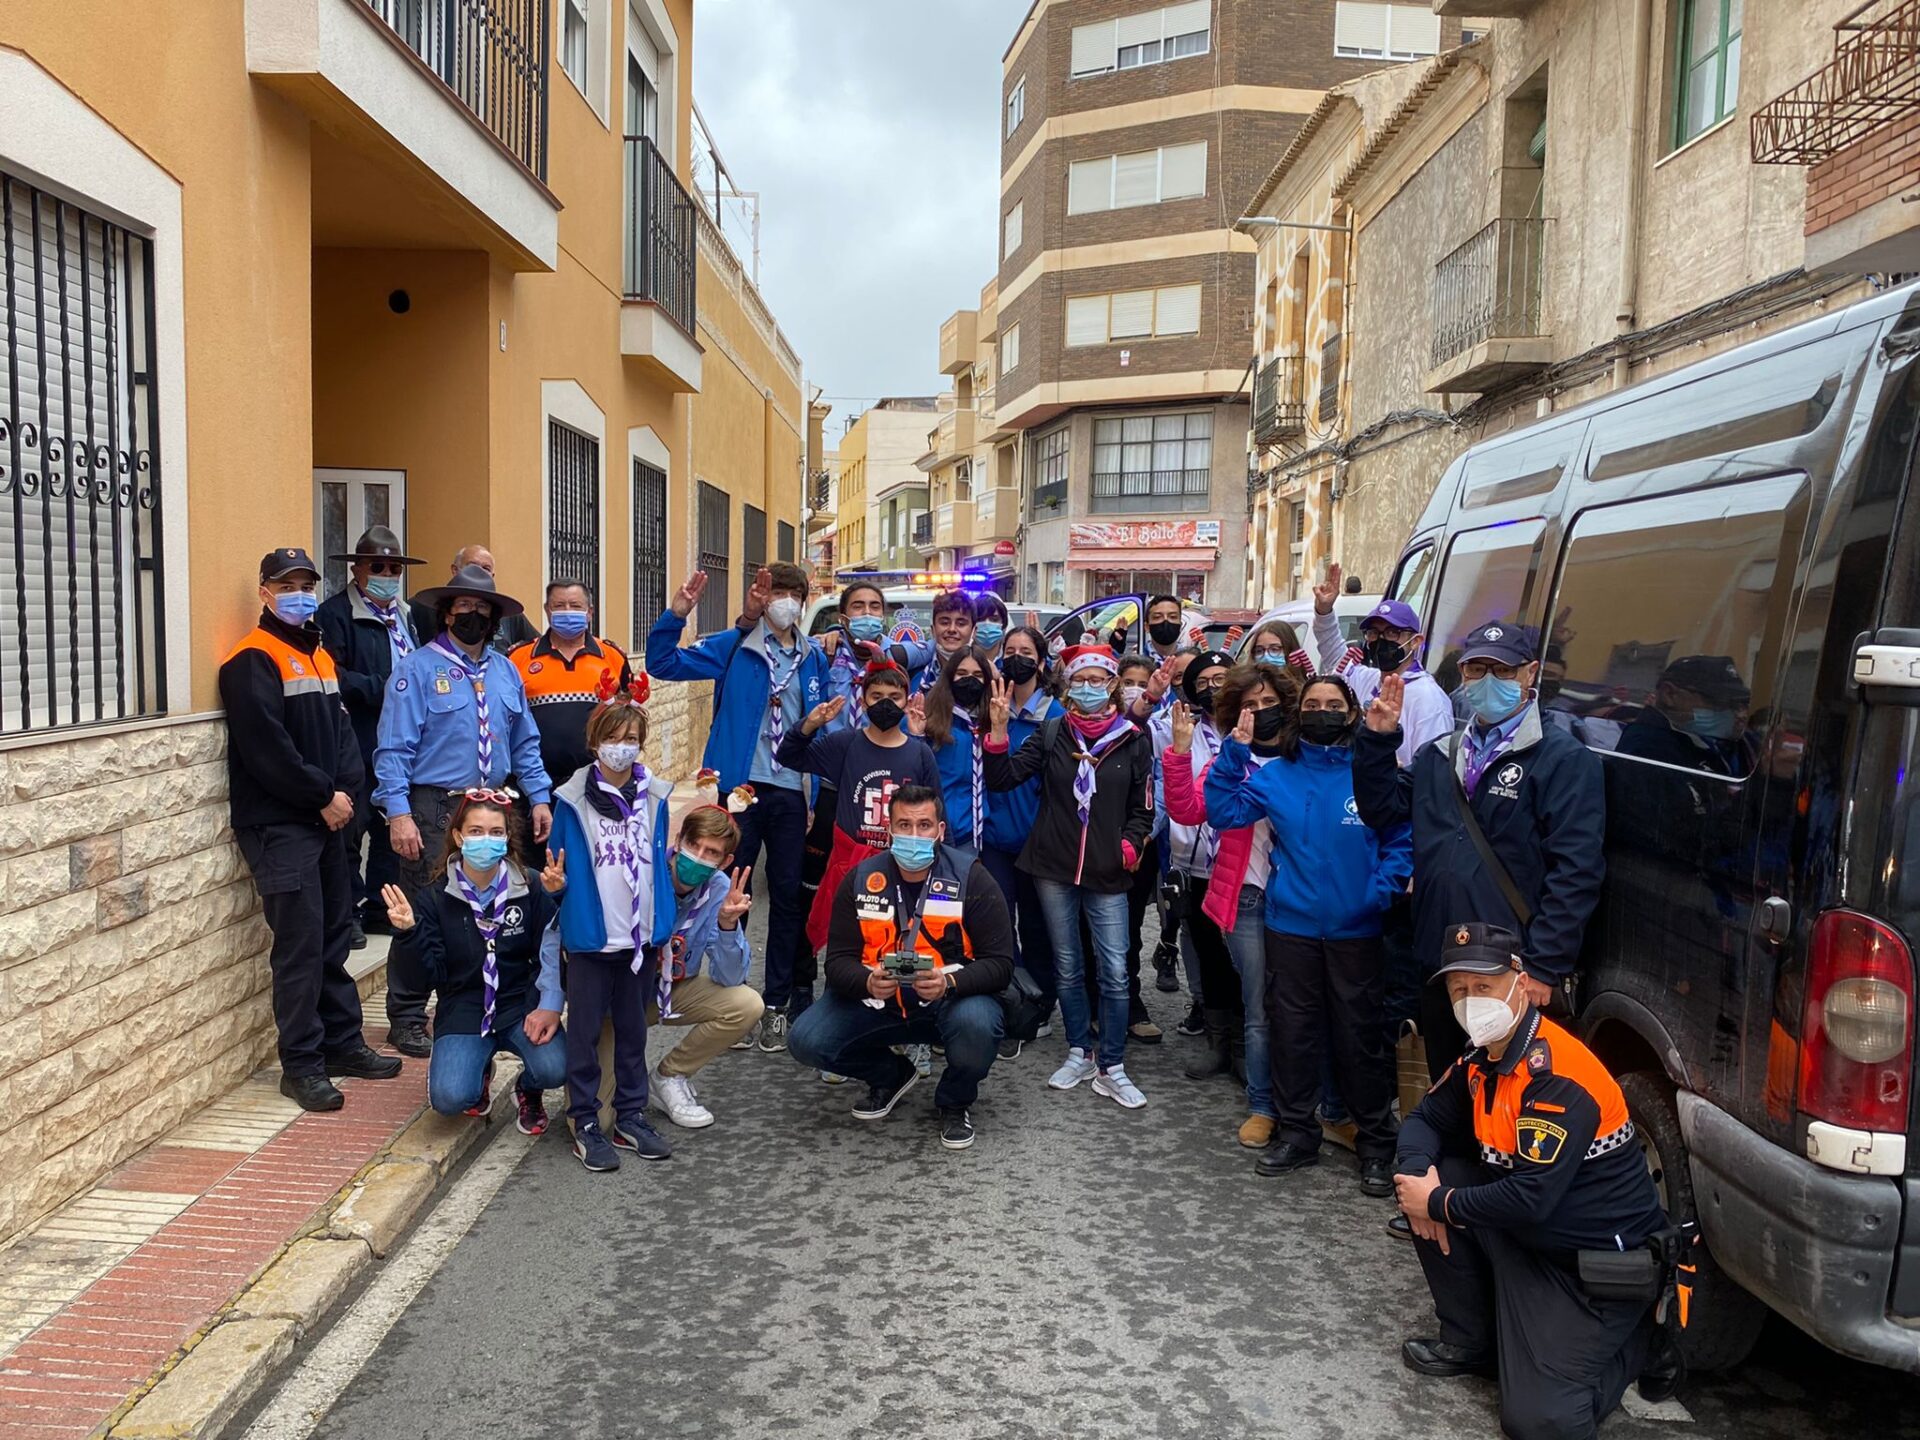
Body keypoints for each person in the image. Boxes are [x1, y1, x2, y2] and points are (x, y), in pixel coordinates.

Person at [1396, 924, 1670, 1440]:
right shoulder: (1483, 1058)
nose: (1471, 1001)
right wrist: (1415, 1173)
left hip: (1592, 1270)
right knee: (1432, 1177)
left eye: (1484, 986)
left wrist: (1437, 1203)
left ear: (1520, 983)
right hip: (1530, 1238)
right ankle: (1472, 1341)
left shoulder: (1557, 1076)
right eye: (1459, 990)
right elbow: (1425, 1119)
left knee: (1541, 1422)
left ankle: (1643, 1342)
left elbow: (1530, 1198)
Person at [1352, 621, 1607, 1083]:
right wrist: (1377, 740)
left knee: (1508, 1090)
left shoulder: (1563, 759)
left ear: (1530, 673)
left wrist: (1544, 966)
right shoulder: (1440, 754)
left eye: (1502, 670)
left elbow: (1576, 870)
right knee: (1449, 1084)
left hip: (1510, 967)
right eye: (1476, 670)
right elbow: (1382, 810)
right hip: (1442, 960)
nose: (1488, 681)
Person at [1206, 674, 1411, 1195]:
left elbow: (1400, 838)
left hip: (1356, 929)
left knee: (1358, 1039)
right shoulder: (1277, 774)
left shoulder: (1371, 773)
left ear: (1351, 713)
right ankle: (1298, 1133)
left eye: (1333, 704)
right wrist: (1235, 753)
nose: (1323, 711)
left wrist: (1379, 892)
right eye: (1312, 704)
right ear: (1300, 713)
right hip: (1290, 927)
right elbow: (1224, 811)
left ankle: (1375, 1145)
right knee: (1294, 1034)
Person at [222, 547, 405, 1112]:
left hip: (330, 819)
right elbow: (267, 750)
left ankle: (343, 1044)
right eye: (287, 586)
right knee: (300, 947)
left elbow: (344, 735)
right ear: (265, 593)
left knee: (333, 937)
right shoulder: (251, 660)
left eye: (306, 585)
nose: (299, 595)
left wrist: (346, 794)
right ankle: (301, 1065)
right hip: (282, 826)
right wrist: (323, 796)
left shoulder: (318, 653)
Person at [646, 562, 829, 1050]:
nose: (784, 602)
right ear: (761, 599)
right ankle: (735, 994)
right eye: (775, 593)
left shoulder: (813, 658)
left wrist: (815, 792)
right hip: (737, 791)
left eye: (793, 594)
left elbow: (823, 725)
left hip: (790, 790)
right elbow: (662, 663)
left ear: (804, 602)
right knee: (732, 894)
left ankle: (776, 1004)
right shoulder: (734, 647)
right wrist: (677, 614)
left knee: (787, 897)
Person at [374, 565, 554, 1058]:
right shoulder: (416, 669)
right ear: (446, 613)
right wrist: (398, 813)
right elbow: (393, 748)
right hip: (435, 806)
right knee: (421, 908)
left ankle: (475, 1005)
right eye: (464, 607)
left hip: (492, 807)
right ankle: (407, 1014)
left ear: (494, 619)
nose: (473, 616)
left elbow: (525, 742)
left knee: (485, 907)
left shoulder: (505, 671)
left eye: (482, 609)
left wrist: (539, 796)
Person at [788, 785, 1014, 1149]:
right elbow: (838, 962)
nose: (914, 835)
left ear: (940, 830)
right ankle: (890, 1074)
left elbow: (1001, 964)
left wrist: (949, 983)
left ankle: (955, 1101)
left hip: (950, 1003)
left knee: (979, 1024)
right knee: (805, 1040)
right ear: (889, 829)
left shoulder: (972, 878)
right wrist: (866, 982)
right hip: (879, 1003)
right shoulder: (860, 878)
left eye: (924, 825)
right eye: (904, 825)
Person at [984, 645, 1156, 1109]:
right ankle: (1080, 1050)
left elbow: (1143, 808)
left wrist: (1128, 846)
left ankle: (1112, 1064)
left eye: (1098, 680)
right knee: (1068, 965)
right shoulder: (1052, 732)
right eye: (1080, 680)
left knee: (1115, 970)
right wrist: (997, 733)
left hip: (1108, 871)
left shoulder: (1133, 739)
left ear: (1112, 685)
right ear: (1068, 685)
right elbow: (1003, 778)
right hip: (1053, 866)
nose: (1088, 687)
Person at [1162, 662, 1296, 1147]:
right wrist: (1180, 752)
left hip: (1301, 899)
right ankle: (1262, 1105)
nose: (1260, 712)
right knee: (1257, 1007)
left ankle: (1311, 1103)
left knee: (1303, 1003)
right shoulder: (1228, 762)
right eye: (1249, 705)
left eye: (1269, 703)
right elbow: (1187, 810)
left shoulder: (1307, 758)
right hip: (1248, 897)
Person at [545, 687, 678, 1170]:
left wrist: (662, 922)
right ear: (595, 742)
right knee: (583, 1035)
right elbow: (557, 868)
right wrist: (556, 888)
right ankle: (584, 1119)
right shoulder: (570, 800)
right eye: (613, 737)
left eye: (631, 739)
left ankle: (630, 1115)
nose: (622, 747)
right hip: (591, 938)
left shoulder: (655, 797)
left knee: (632, 1034)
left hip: (639, 939)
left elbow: (658, 861)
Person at [378, 791, 565, 1132]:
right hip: (464, 1007)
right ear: (458, 836)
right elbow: (424, 978)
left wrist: (548, 1005)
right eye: (476, 831)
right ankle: (478, 1073)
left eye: (496, 832)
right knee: (450, 1098)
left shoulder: (530, 885)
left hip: (518, 1003)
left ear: (507, 838)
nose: (486, 840)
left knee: (556, 1067)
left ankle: (528, 1089)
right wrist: (408, 934)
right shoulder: (435, 898)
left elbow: (550, 950)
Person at [775, 660, 942, 956]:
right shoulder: (845, 743)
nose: (885, 703)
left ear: (906, 702)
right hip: (850, 867)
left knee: (897, 944)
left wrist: (943, 868)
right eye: (877, 696)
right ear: (863, 702)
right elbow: (788, 756)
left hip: (902, 866)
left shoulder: (920, 753)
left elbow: (937, 813)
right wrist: (810, 725)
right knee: (847, 945)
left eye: (894, 697)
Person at [315, 525, 424, 947]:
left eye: (394, 568)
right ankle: (347, 915)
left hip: (401, 746)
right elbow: (334, 676)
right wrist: (387, 688)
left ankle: (381, 908)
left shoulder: (407, 615)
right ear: (357, 569)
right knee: (350, 833)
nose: (387, 575)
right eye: (377, 566)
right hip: (358, 741)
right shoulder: (334, 614)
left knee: (389, 830)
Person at [1154, 649, 1242, 1084]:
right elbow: (1176, 795)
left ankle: (1251, 1044)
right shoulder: (1180, 727)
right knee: (1211, 955)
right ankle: (1220, 1041)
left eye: (1222, 678)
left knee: (1251, 958)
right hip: (1197, 863)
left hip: (1248, 865)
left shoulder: (1254, 727)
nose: (1213, 688)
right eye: (1203, 681)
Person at [647, 805, 762, 1129]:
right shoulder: (646, 871)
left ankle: (669, 1075)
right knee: (602, 1116)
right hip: (622, 996)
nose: (697, 857)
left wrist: (727, 924)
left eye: (711, 853)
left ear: (724, 861)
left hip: (671, 991)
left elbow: (731, 977)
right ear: (678, 841)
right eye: (693, 845)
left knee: (746, 1005)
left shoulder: (720, 889)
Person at [978, 625, 1061, 1057]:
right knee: (998, 927)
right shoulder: (987, 707)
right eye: (1009, 650)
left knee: (1036, 927)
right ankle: (1010, 999)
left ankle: (1040, 1004)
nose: (1016, 658)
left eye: (1026, 651)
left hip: (1038, 839)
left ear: (1041, 662)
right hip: (994, 836)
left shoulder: (1056, 715)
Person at [1312, 563, 1452, 765]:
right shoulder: (1367, 679)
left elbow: (1430, 770)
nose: (1381, 640)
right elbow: (1335, 656)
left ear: (1415, 641)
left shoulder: (1429, 700)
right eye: (1373, 633)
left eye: (1392, 633)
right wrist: (1324, 611)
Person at [508, 580, 634, 794]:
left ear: (589, 612)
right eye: (559, 606)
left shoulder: (613, 656)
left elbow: (629, 717)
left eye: (575, 606)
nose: (567, 612)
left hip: (598, 783)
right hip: (533, 785)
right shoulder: (518, 658)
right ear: (547, 610)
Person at [910, 647, 994, 860]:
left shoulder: (993, 719)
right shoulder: (929, 714)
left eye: (977, 675)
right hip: (931, 830)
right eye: (962, 673)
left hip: (971, 835)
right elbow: (911, 768)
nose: (969, 680)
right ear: (949, 677)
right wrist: (916, 736)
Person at [410, 544, 538, 655]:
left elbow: (537, 643)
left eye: (486, 568)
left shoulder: (507, 613)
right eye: (464, 605)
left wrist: (521, 651)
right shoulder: (420, 608)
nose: (479, 573)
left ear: (492, 576)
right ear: (455, 570)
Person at [913, 589, 978, 694]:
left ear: (974, 631)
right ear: (933, 629)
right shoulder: (915, 679)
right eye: (944, 622)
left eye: (961, 624)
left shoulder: (985, 677)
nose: (952, 629)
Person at [1245, 618, 1316, 693]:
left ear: (1289, 649)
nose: (1266, 656)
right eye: (1259, 651)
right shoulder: (1246, 689)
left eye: (1274, 649)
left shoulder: (1305, 691)